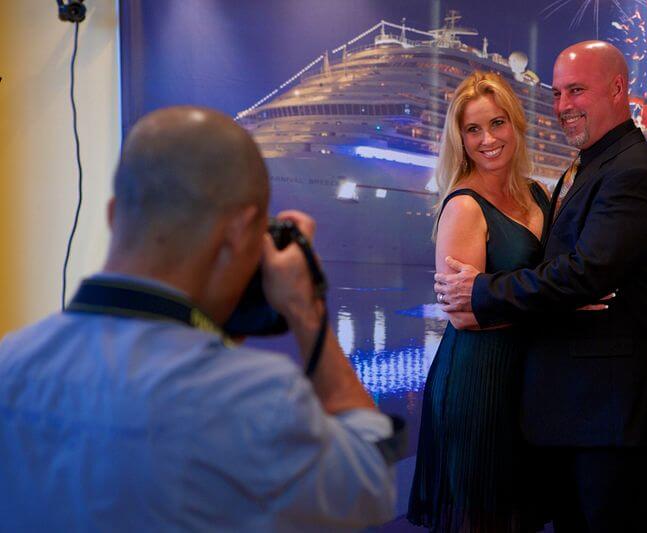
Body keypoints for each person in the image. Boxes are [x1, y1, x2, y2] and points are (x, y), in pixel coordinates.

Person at [0, 107, 398, 531]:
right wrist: (306, 312)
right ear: (241, 232)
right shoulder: (256, 396)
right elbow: (370, 486)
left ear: (114, 215)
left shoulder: (10, 364)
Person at [434, 42, 647, 532]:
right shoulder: (584, 166)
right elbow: (572, 276)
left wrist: (485, 291)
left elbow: (585, 273)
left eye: (577, 90)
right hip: (557, 403)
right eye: (557, 93)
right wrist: (568, 292)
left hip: (610, 413)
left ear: (617, 89)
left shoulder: (631, 172)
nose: (563, 105)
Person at [407, 71, 606, 532]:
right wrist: (558, 308)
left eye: (497, 124)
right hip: (478, 378)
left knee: (521, 514)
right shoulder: (464, 206)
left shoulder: (537, 194)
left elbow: (555, 276)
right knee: (482, 517)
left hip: (528, 382)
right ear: (459, 139)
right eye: (472, 129)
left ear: (515, 125)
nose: (487, 139)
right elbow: (461, 316)